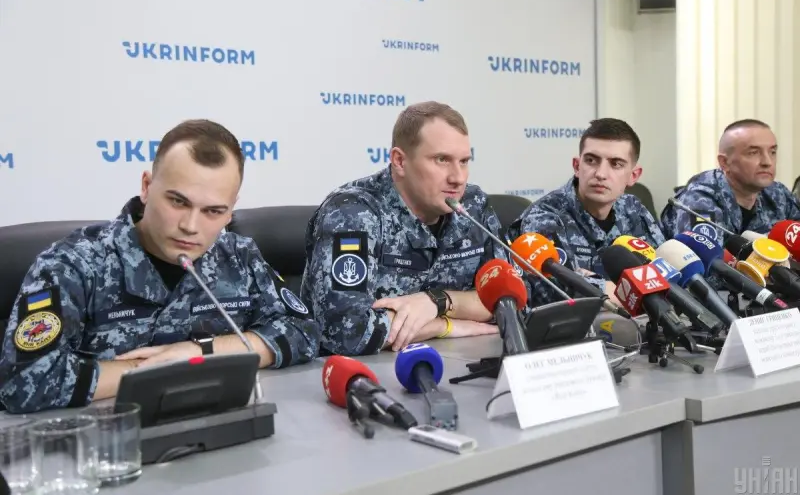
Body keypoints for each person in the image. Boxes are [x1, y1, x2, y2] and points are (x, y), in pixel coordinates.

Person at [0, 120, 319, 414]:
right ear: (146, 186)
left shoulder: (238, 257)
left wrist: (201, 352)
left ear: (230, 210)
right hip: (109, 441)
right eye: (178, 202)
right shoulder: (74, 265)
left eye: (212, 211)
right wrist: (156, 370)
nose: (190, 226)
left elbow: (303, 332)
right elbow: (24, 380)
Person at [301, 101, 502, 356]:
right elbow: (345, 332)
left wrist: (437, 302)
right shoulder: (352, 212)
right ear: (399, 161)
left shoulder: (473, 206)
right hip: (360, 371)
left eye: (463, 161)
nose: (458, 178)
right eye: (442, 160)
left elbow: (510, 301)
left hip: (459, 359)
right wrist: (444, 326)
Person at [507, 118, 665, 304]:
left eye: (616, 164)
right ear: (577, 166)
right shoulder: (544, 216)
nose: (600, 174)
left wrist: (596, 284)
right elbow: (556, 292)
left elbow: (664, 272)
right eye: (591, 161)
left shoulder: (633, 209)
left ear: (633, 176)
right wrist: (633, 291)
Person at [661, 119, 800, 240]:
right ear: (725, 162)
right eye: (753, 153)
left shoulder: (778, 194)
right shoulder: (699, 199)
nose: (767, 162)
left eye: (772, 152)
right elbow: (709, 260)